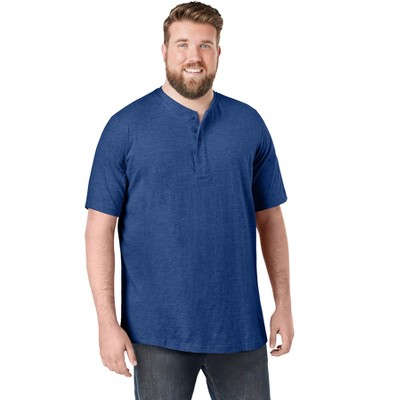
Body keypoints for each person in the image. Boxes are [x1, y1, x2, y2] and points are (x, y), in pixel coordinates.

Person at [85, 2, 294, 399]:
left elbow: (270, 219)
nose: (193, 56)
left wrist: (283, 303)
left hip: (239, 330)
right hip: (155, 334)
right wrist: (106, 323)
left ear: (218, 52)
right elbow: (99, 228)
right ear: (164, 51)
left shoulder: (249, 124)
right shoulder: (124, 128)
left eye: (205, 45)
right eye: (182, 44)